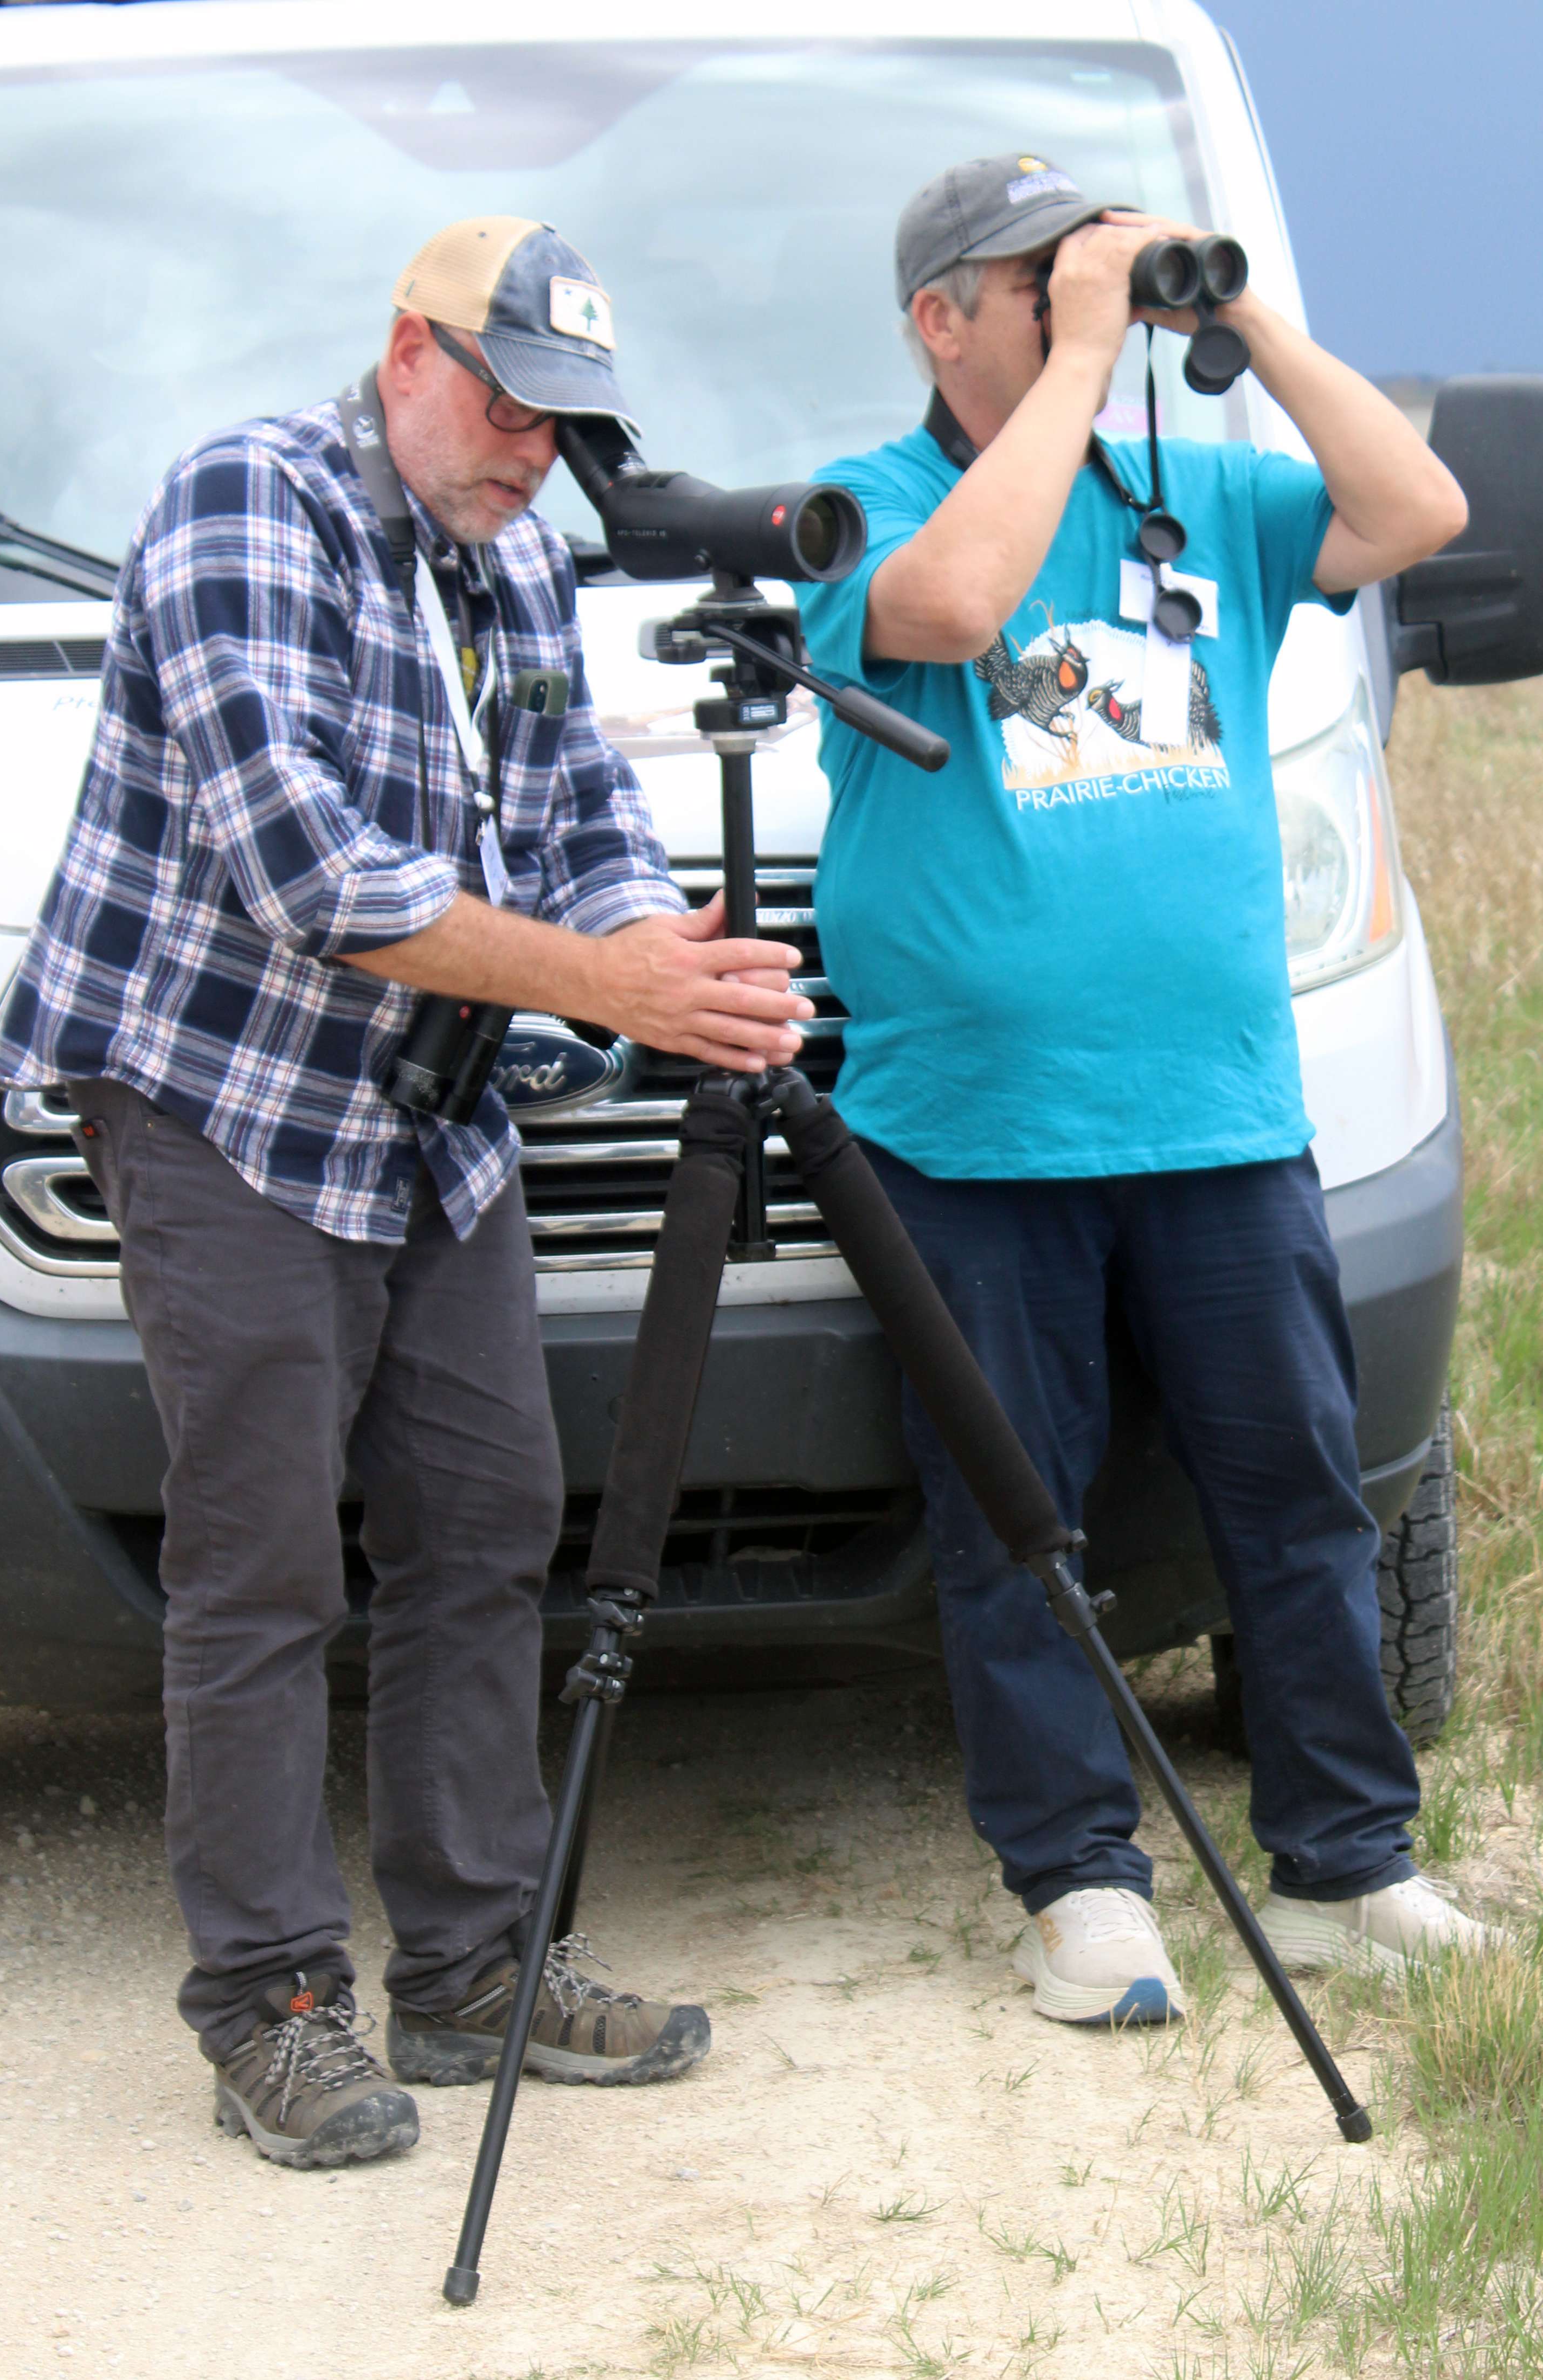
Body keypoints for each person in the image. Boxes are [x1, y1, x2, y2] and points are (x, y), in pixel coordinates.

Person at [0, 217, 814, 2163]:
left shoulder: (517, 554)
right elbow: (311, 874)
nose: (535, 451)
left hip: (421, 1111)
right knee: (265, 1553)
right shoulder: (242, 506)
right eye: (511, 401)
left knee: (487, 1510)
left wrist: (671, 963)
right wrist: (601, 978)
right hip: (215, 1096)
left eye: (568, 424)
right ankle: (271, 2005)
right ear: (407, 352)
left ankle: (468, 1974)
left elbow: (582, 819)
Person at [796, 155, 1497, 2027]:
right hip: (976, 1128)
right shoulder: (859, 507)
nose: (1081, 305)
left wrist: (1244, 316)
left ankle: (1352, 1860)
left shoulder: (1200, 495)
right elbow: (948, 609)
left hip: (1220, 1108)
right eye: (1038, 280)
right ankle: (1081, 1885)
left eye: (1094, 271)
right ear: (939, 315)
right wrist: (1070, 366)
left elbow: (1416, 504)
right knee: (1021, 1519)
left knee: (1301, 1498)